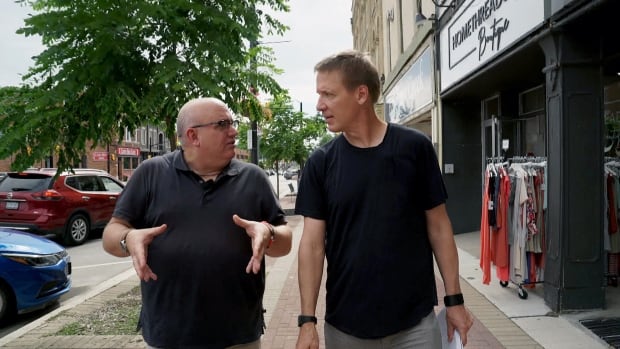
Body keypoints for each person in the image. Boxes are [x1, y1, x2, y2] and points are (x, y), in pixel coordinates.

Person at [294, 50, 474, 349]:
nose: (319, 105)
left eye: (328, 94)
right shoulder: (321, 163)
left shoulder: (415, 149)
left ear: (361, 94)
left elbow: (440, 228)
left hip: (414, 325)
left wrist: (454, 301)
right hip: (346, 329)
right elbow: (312, 245)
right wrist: (307, 321)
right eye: (319, 94)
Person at [102, 97, 292, 349]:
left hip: (239, 336)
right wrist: (128, 238)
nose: (234, 131)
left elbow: (285, 241)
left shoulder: (252, 178)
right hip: (169, 336)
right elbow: (111, 234)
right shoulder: (151, 173)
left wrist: (268, 232)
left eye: (232, 123)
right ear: (193, 136)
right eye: (223, 124)